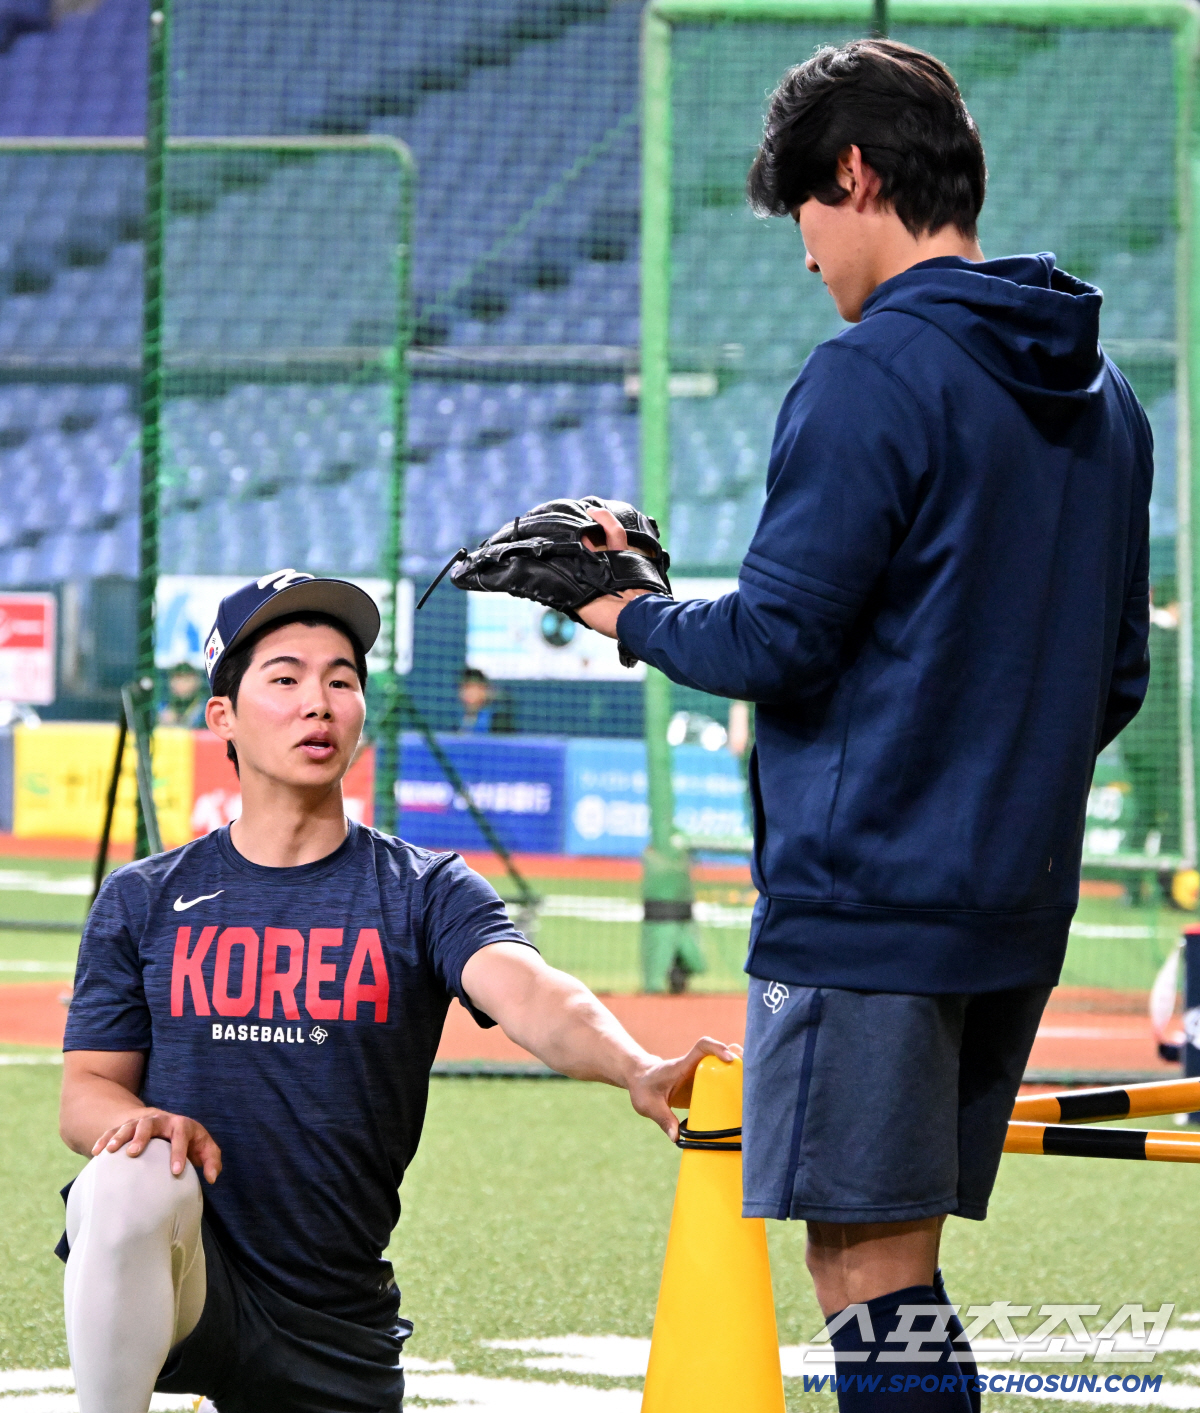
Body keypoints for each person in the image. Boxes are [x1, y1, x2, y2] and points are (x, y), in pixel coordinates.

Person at [579, 39, 1151, 1412]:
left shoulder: (869, 376)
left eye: (806, 216)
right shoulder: (1107, 395)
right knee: (898, 1261)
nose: (805, 257)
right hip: (1013, 905)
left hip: (866, 904)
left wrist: (620, 610)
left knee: (867, 1273)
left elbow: (779, 638)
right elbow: (1116, 677)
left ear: (855, 172)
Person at [58, 568, 734, 1413]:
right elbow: (86, 1089)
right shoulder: (143, 896)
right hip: (192, 1276)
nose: (320, 701)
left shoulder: (423, 890)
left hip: (336, 1316)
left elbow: (531, 992)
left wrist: (634, 1064)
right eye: (286, 677)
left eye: (342, 680)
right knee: (128, 1179)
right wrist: (133, 1124)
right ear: (222, 714)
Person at [457, 665, 512, 733]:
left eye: (473, 687)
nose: (469, 693)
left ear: (484, 690)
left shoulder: (498, 721)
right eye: (465, 687)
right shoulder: (454, 721)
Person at [158, 662, 207, 728]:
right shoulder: (161, 708)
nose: (182, 685)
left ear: (197, 682)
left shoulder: (206, 709)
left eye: (187, 680)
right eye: (178, 679)